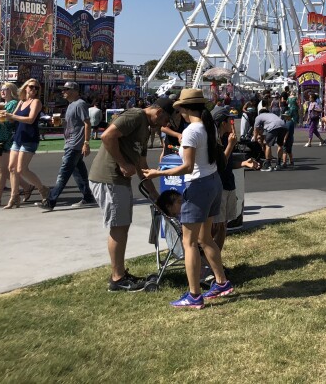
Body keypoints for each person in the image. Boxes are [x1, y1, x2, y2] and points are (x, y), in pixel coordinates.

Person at [143, 89, 233, 308]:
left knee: (189, 242)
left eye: (179, 108)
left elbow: (187, 167)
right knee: (205, 238)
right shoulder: (207, 126)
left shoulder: (192, 130)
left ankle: (194, 295)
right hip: (213, 182)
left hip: (198, 185)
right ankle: (221, 282)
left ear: (184, 109)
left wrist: (158, 173)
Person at [88, 97, 173, 292]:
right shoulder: (136, 115)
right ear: (159, 112)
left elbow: (142, 165)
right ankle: (117, 279)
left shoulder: (147, 129)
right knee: (118, 226)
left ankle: (120, 274)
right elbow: (107, 136)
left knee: (122, 225)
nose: (165, 124)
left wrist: (154, 195)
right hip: (108, 177)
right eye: (165, 119)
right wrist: (121, 163)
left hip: (119, 180)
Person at [42, 82, 98, 211]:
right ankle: (88, 197)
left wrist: (86, 143)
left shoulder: (80, 104)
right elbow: (75, 123)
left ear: (74, 91)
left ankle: (51, 200)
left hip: (75, 144)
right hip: (70, 143)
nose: (63, 92)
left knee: (64, 173)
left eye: (66, 89)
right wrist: (60, 122)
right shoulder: (71, 105)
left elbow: (87, 123)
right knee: (79, 172)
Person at [1, 79, 50, 208]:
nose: (34, 90)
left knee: (21, 169)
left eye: (36, 88)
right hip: (18, 137)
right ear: (25, 88)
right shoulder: (21, 102)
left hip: (29, 138)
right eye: (32, 87)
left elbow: (30, 119)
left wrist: (12, 116)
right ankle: (14, 197)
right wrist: (6, 116)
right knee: (12, 168)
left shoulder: (36, 102)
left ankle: (42, 189)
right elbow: (13, 120)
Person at [211, 105, 239, 251]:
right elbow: (219, 165)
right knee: (215, 226)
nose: (232, 123)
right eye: (230, 121)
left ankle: (217, 259)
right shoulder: (215, 140)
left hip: (229, 183)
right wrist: (230, 145)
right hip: (219, 186)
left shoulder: (227, 137)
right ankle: (209, 261)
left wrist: (244, 163)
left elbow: (229, 163)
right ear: (223, 123)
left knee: (223, 225)